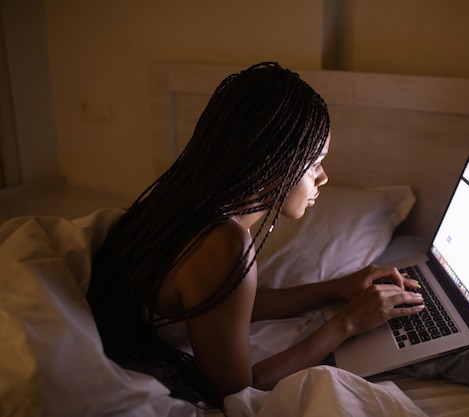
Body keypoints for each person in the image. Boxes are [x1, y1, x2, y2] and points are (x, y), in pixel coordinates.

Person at [86, 62, 425, 409]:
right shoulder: (223, 244)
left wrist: (334, 288)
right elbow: (234, 391)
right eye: (314, 163)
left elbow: (226, 305)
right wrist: (348, 323)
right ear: (273, 161)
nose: (323, 178)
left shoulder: (185, 198)